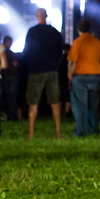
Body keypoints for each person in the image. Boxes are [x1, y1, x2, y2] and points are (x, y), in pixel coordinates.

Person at [23, 8, 63, 139]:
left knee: (33, 103)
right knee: (55, 102)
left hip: (36, 71)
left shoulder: (32, 32)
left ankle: (31, 134)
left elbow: (27, 51)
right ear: (46, 16)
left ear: (36, 16)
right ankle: (58, 133)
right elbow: (60, 52)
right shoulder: (54, 32)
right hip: (52, 70)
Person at [67, 20, 100, 137]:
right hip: (95, 76)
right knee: (93, 106)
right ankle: (94, 129)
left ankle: (80, 131)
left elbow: (72, 62)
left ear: (78, 30)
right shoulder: (97, 42)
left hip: (80, 77)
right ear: (89, 29)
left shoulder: (77, 42)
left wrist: (70, 75)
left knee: (80, 106)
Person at [1, 35, 19, 121]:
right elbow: (15, 64)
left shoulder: (0, 51)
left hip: (4, 76)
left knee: (5, 97)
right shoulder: (10, 53)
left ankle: (6, 115)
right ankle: (12, 116)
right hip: (11, 77)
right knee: (12, 98)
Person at [59, 43, 72, 116]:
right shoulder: (69, 57)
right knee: (67, 95)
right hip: (68, 78)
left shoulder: (61, 58)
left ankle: (61, 111)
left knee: (61, 95)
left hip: (61, 79)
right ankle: (67, 112)